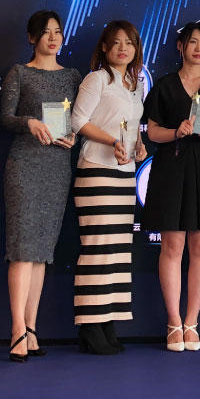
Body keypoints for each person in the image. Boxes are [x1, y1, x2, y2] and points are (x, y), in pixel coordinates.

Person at [142, 22, 200, 352]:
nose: (198, 48)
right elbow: (152, 132)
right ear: (180, 46)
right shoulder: (165, 84)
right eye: (192, 42)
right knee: (171, 246)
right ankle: (173, 322)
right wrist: (176, 132)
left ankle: (192, 323)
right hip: (171, 168)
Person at [0, 11, 81, 362]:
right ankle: (16, 328)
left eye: (57, 32)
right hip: (24, 164)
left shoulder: (73, 76)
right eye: (45, 32)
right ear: (32, 37)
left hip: (58, 166)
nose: (52, 38)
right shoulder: (19, 72)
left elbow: (79, 120)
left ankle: (31, 328)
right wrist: (29, 122)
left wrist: (74, 136)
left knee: (42, 251)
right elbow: (5, 117)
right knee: (22, 247)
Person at [70, 20, 147, 355]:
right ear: (104, 47)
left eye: (129, 42)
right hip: (97, 171)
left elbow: (131, 125)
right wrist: (112, 141)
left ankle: (108, 321)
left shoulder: (136, 85)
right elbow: (78, 120)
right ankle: (90, 325)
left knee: (117, 251)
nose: (123, 48)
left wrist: (138, 144)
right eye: (116, 42)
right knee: (98, 248)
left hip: (124, 172)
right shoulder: (97, 79)